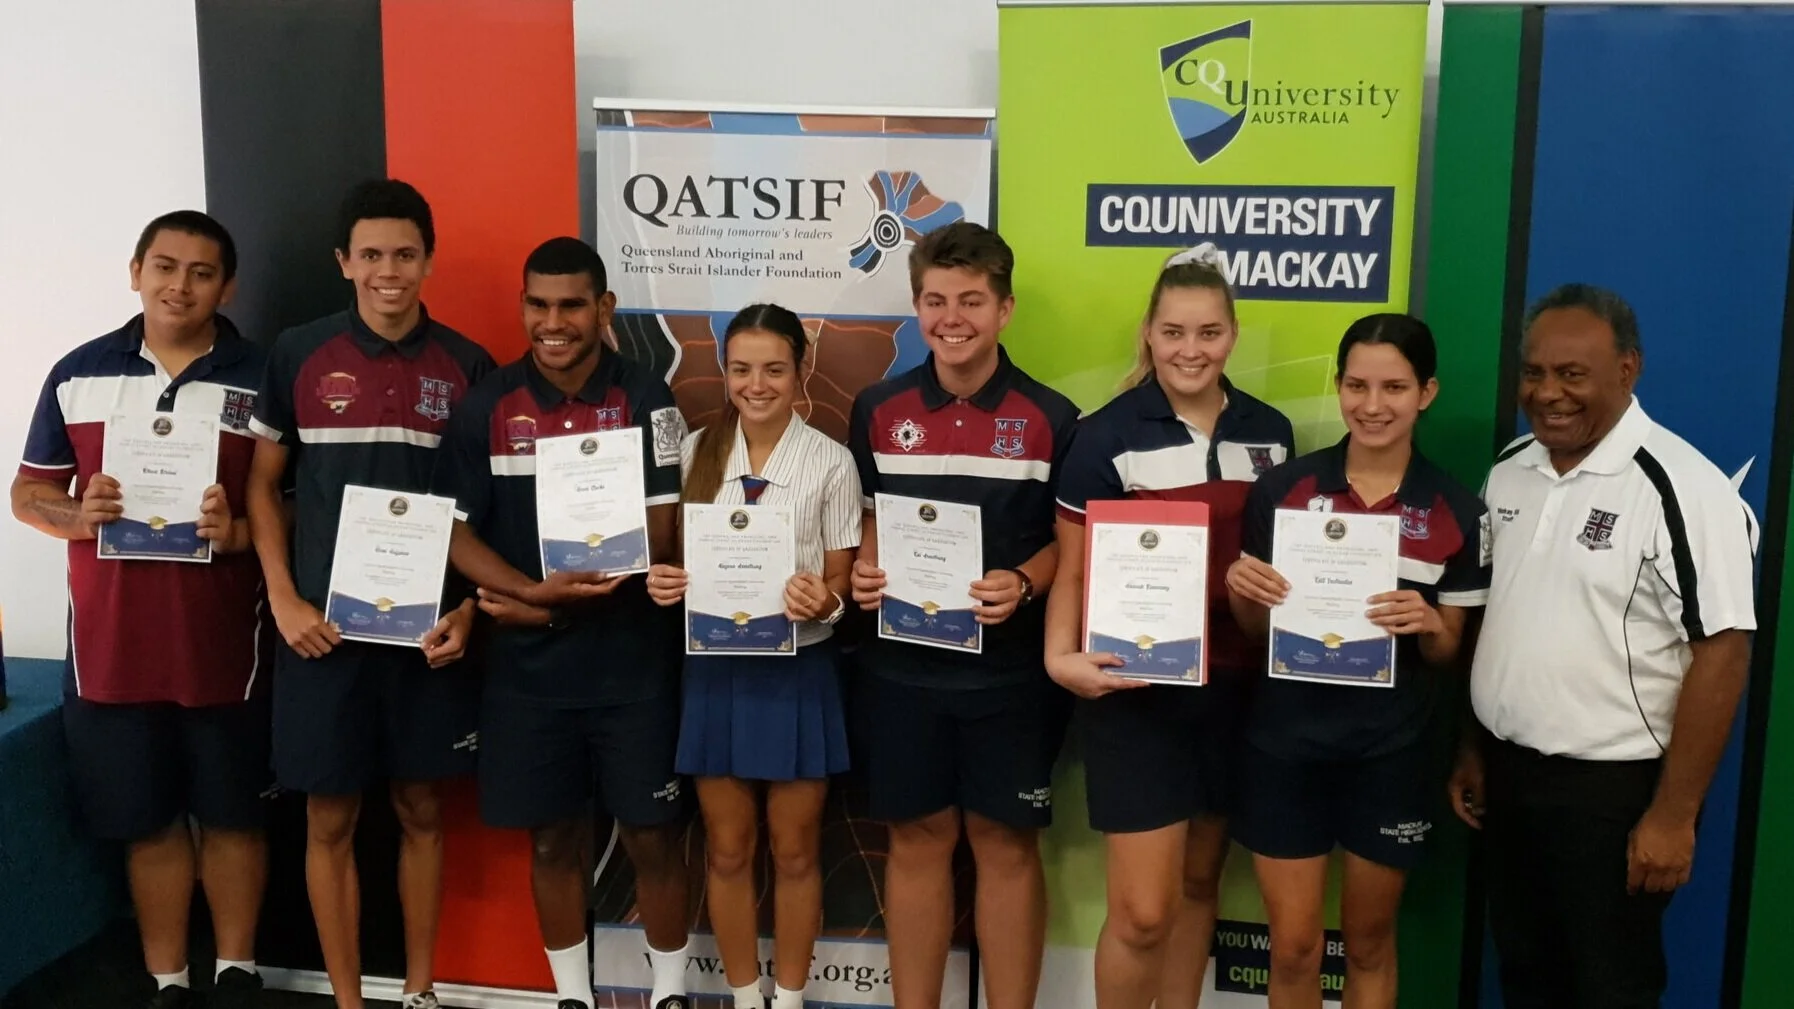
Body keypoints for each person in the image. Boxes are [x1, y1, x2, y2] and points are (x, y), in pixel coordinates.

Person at [1449, 285, 1756, 1009]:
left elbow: (1725, 651)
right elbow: (1496, 618)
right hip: (1511, 776)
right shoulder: (1510, 468)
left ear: (1628, 369)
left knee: (1609, 987)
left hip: (1614, 795)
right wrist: (1471, 745)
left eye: (1572, 374)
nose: (1548, 393)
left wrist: (1674, 814)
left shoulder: (1681, 485)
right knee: (1526, 973)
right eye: (1534, 372)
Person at [11, 211, 271, 1009]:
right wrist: (74, 516)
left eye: (200, 272)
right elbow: (29, 491)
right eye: (165, 266)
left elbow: (293, 505)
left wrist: (241, 535)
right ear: (135, 271)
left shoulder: (265, 376)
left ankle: (236, 971)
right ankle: (167, 981)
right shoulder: (77, 372)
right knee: (148, 820)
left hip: (227, 645)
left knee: (232, 817)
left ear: (225, 286)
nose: (179, 285)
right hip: (112, 650)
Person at [244, 179, 491, 1009]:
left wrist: (465, 611)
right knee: (328, 820)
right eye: (373, 254)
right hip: (323, 635)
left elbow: (482, 513)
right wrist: (283, 600)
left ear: (429, 259)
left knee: (423, 809)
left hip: (426, 640)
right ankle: (349, 1001)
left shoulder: (467, 365)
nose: (390, 271)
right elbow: (262, 488)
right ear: (344, 261)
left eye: (406, 254)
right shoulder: (298, 353)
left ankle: (419, 991)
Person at [430, 236, 693, 1009]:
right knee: (551, 837)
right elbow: (453, 528)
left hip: (631, 663)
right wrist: (527, 593)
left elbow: (665, 533)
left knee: (653, 834)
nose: (553, 321)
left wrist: (557, 596)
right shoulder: (486, 404)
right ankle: (573, 996)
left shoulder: (648, 399)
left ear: (604, 308)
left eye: (572, 304)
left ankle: (670, 992)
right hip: (526, 670)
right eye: (538, 304)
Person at [1044, 243, 1293, 1009]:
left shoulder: (1272, 433)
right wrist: (1059, 659)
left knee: (1196, 885)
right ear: (1149, 334)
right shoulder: (1105, 435)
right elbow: (1074, 569)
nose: (1192, 349)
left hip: (1237, 692)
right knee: (1143, 912)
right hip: (1136, 695)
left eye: (1209, 332)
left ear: (1233, 335)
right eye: (1175, 332)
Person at [846, 221, 1080, 1009]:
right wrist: (866, 569)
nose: (953, 317)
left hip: (1008, 674)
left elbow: (1066, 542)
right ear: (916, 305)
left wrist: (1022, 580)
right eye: (936, 300)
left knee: (1006, 846)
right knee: (917, 842)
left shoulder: (1054, 415)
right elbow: (873, 515)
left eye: (972, 301)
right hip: (901, 666)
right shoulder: (878, 407)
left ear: (1005, 308)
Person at [1225, 314, 1490, 1009]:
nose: (1373, 404)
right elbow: (1255, 631)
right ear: (1337, 386)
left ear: (1426, 392)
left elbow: (1450, 648)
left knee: (1369, 945)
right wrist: (1244, 593)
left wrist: (1430, 621)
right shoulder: (1282, 490)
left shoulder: (1457, 508)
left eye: (1395, 386)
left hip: (1393, 753)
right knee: (1294, 948)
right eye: (1357, 384)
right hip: (1287, 746)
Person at [644, 303, 861, 1009]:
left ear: (800, 371)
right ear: (725, 372)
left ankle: (789, 997)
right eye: (741, 369)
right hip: (717, 667)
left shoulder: (831, 460)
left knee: (795, 850)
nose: (756, 383)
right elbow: (674, 561)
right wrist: (665, 580)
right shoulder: (697, 450)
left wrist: (820, 600)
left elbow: (841, 584)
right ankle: (744, 994)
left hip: (799, 671)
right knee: (728, 848)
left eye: (773, 368)